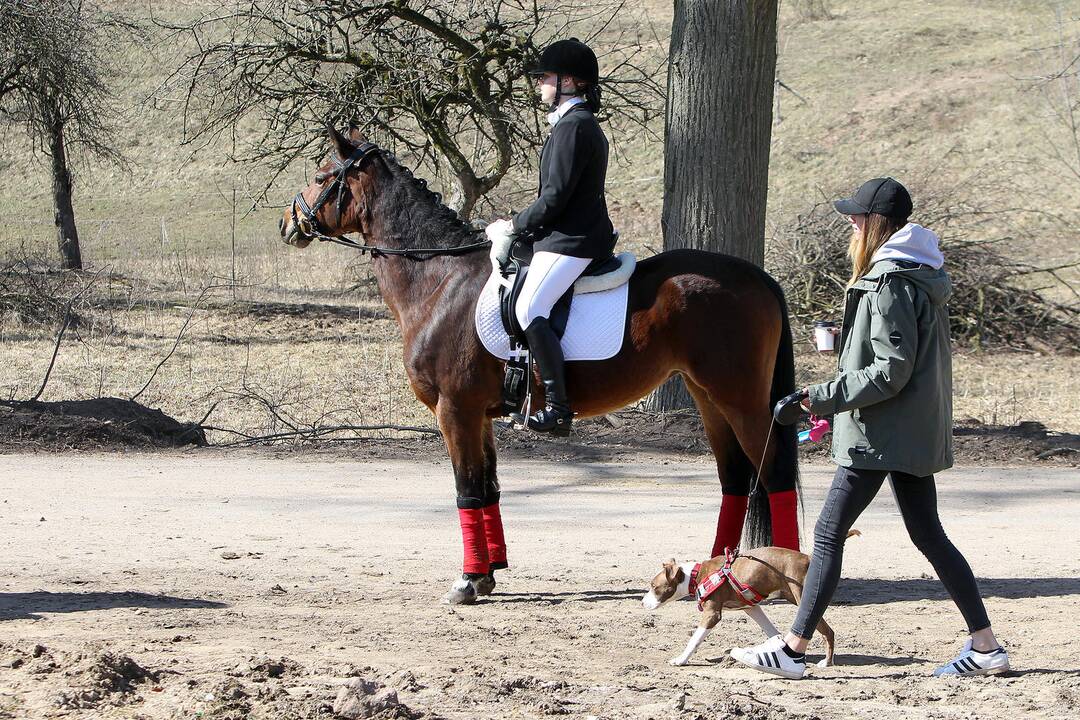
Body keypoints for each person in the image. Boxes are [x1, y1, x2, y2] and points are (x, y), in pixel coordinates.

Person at [731, 178, 1009, 679]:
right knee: (929, 535)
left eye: (857, 218)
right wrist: (846, 346)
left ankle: (792, 650)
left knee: (829, 532)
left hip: (881, 433)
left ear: (877, 224)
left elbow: (891, 370)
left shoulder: (890, 282)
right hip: (904, 429)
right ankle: (986, 648)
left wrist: (817, 397)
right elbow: (893, 356)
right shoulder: (916, 274)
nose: (851, 225)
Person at [485, 38, 615, 436]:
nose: (539, 83)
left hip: (573, 240)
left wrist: (514, 226)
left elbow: (555, 197)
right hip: (562, 235)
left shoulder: (575, 128)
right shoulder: (571, 124)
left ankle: (559, 408)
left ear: (570, 82)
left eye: (546, 77)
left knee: (529, 308)